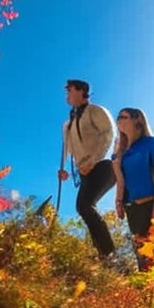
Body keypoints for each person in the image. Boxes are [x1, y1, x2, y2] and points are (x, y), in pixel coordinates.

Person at [58, 80, 116, 260]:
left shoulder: (95, 110)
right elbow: (68, 148)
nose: (66, 92)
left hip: (103, 165)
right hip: (83, 170)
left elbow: (108, 134)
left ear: (82, 91)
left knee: (84, 205)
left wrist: (93, 160)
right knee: (83, 207)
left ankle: (109, 254)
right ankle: (103, 254)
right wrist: (64, 169)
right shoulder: (67, 124)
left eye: (70, 89)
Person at [112, 107, 154, 271]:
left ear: (138, 120)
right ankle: (148, 294)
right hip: (133, 209)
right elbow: (120, 181)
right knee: (142, 258)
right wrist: (119, 202)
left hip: (153, 204)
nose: (119, 120)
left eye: (124, 117)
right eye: (118, 118)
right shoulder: (120, 154)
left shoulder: (151, 144)